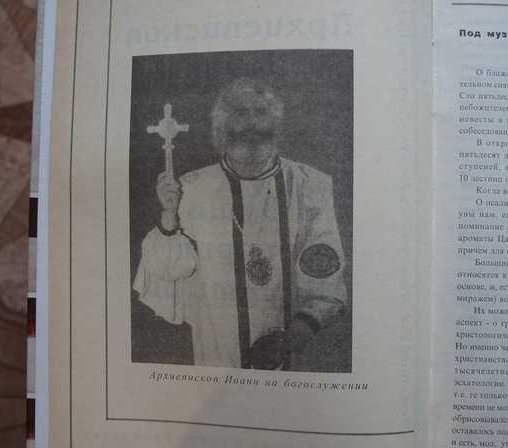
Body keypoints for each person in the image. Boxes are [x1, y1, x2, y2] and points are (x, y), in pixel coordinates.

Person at [133, 78, 348, 370]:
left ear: (275, 122)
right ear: (222, 125)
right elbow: (168, 271)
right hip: (217, 354)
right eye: (240, 113)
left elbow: (325, 276)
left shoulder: (309, 186)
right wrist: (169, 216)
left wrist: (293, 336)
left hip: (289, 359)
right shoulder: (192, 189)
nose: (251, 123)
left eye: (260, 112)